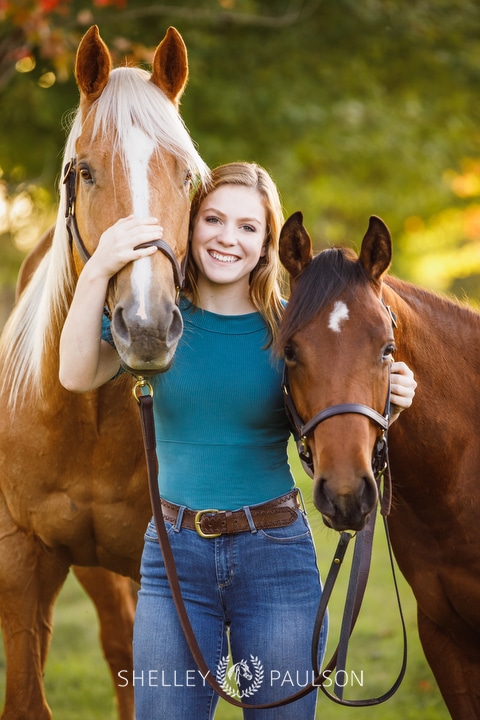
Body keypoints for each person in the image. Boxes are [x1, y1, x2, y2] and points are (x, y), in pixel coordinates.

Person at [59, 162, 416, 719]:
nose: (228, 237)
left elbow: (342, 383)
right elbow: (77, 373)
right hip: (175, 556)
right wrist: (98, 269)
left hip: (274, 558)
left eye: (249, 227)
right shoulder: (159, 321)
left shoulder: (290, 331)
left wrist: (390, 389)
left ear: (269, 242)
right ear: (190, 224)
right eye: (214, 219)